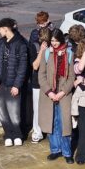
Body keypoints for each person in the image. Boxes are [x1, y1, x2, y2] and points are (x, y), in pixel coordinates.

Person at [38, 29, 75, 163]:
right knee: (51, 123)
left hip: (63, 94)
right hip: (49, 94)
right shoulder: (46, 53)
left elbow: (71, 77)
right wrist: (50, 92)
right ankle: (55, 150)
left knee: (64, 123)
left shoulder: (69, 54)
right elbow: (41, 75)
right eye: (52, 41)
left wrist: (62, 92)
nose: (53, 43)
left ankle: (67, 152)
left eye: (56, 40)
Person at [0, 18, 28, 147]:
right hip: (1, 83)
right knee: (2, 111)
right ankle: (8, 134)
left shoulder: (20, 44)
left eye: (0, 29)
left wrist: (17, 85)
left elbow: (22, 66)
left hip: (13, 84)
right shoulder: (1, 43)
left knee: (14, 111)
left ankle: (17, 134)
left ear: (5, 28)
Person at [28, 12, 53, 143]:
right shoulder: (34, 41)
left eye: (43, 22)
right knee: (37, 107)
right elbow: (35, 66)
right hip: (37, 80)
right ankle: (37, 132)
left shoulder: (54, 32)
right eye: (39, 23)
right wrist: (42, 51)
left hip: (51, 80)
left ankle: (49, 130)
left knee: (50, 106)